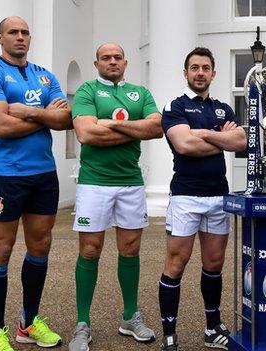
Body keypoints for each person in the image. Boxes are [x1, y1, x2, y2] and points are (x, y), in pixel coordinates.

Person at [0, 16, 71, 351]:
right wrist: (45, 113)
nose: (20, 37)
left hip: (43, 174)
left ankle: (27, 325)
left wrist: (27, 112)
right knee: (0, 251)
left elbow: (65, 118)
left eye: (25, 32)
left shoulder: (46, 74)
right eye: (13, 32)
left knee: (40, 247)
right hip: (5, 175)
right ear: (0, 37)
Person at [68, 43, 162, 351]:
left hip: (130, 181)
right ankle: (83, 322)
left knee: (131, 248)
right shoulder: (87, 91)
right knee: (91, 249)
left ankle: (129, 316)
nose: (112, 61)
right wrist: (134, 129)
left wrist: (110, 123)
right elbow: (85, 133)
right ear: (96, 62)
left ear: (125, 62)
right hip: (94, 182)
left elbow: (157, 127)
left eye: (117, 57)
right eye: (106, 57)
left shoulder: (141, 93)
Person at [158, 47, 246, 351]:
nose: (200, 73)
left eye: (205, 68)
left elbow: (241, 141)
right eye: (194, 68)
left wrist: (203, 135)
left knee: (214, 264)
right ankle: (169, 331)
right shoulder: (175, 106)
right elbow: (183, 145)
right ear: (186, 73)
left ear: (213, 73)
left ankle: (212, 328)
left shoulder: (223, 108)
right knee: (177, 263)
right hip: (185, 196)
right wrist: (219, 137)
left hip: (218, 196)